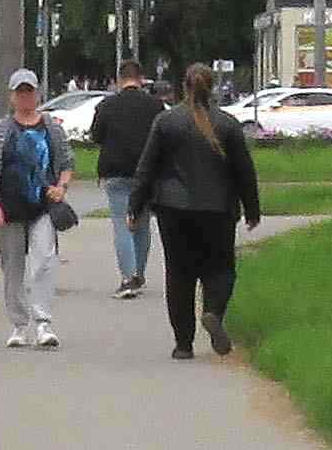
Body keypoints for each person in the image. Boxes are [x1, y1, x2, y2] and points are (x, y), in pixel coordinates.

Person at [132, 60, 264, 358]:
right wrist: (252, 209)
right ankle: (213, 312)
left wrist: (135, 205)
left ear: (184, 87)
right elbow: (244, 171)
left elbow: (147, 167)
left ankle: (183, 344)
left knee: (179, 274)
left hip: (172, 209)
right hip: (218, 209)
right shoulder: (228, 124)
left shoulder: (166, 122)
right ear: (212, 88)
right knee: (221, 268)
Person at [0, 68, 67, 349]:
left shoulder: (51, 127)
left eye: (29, 92)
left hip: (42, 208)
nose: (25, 97)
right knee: (13, 268)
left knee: (44, 261)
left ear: (37, 94)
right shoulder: (1, 130)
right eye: (20, 92)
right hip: (8, 209)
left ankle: (43, 323)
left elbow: (66, 162)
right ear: (12, 96)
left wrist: (61, 187)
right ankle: (19, 325)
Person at [90, 58, 165, 297]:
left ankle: (127, 277)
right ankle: (138, 273)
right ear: (141, 79)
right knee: (142, 224)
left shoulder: (106, 106)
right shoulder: (155, 106)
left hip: (115, 171)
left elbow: (96, 136)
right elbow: (163, 138)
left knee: (122, 224)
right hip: (146, 173)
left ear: (119, 79)